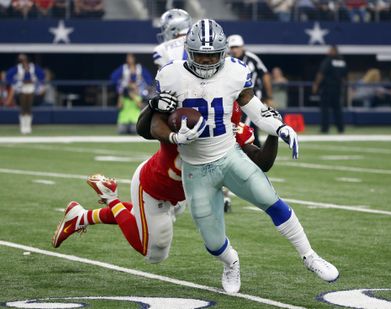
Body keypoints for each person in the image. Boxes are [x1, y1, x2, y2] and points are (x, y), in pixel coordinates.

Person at [149, 19, 339, 293]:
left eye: (212, 53)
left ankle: (310, 256)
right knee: (213, 242)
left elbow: (256, 109)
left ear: (223, 51)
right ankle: (231, 262)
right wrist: (175, 137)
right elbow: (155, 122)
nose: (205, 59)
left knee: (272, 202)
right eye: (200, 53)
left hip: (228, 156)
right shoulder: (170, 74)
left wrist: (280, 127)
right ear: (189, 51)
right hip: (195, 167)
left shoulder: (236, 71)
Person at [52, 104, 280, 266]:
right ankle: (111, 197)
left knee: (147, 226)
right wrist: (154, 105)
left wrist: (274, 132)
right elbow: (146, 128)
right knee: (153, 252)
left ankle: (80, 216)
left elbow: (262, 162)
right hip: (153, 186)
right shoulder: (183, 120)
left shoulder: (231, 132)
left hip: (181, 194)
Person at [227, 34, 273, 147]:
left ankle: (247, 149)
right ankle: (257, 150)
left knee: (245, 123)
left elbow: (265, 74)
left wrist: (269, 96)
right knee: (243, 124)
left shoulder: (252, 58)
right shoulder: (227, 60)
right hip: (234, 95)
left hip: (252, 94)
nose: (234, 50)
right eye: (232, 47)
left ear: (242, 46)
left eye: (236, 47)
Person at [5, 54, 45, 134]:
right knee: (23, 108)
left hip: (31, 87)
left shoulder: (33, 67)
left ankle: (28, 126)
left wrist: (37, 83)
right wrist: (16, 82)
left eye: (25, 60)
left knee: (29, 108)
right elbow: (8, 76)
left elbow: (41, 76)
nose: (24, 62)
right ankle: (23, 127)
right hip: (22, 88)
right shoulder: (17, 68)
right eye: (22, 60)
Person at [312, 45, 347, 133]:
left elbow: (321, 73)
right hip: (337, 88)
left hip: (327, 88)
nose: (328, 51)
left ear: (333, 51)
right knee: (337, 109)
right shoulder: (342, 61)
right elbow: (344, 76)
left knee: (325, 109)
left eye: (330, 50)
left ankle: (325, 128)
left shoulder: (328, 60)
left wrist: (316, 85)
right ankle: (341, 128)